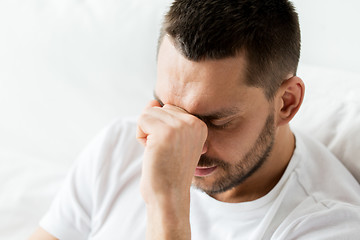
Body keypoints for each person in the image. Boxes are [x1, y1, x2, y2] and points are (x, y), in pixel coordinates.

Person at [30, 0, 360, 239]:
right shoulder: (117, 147)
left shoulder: (328, 225)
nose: (183, 138)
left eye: (216, 120)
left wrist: (167, 205)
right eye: (166, 106)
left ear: (286, 103)